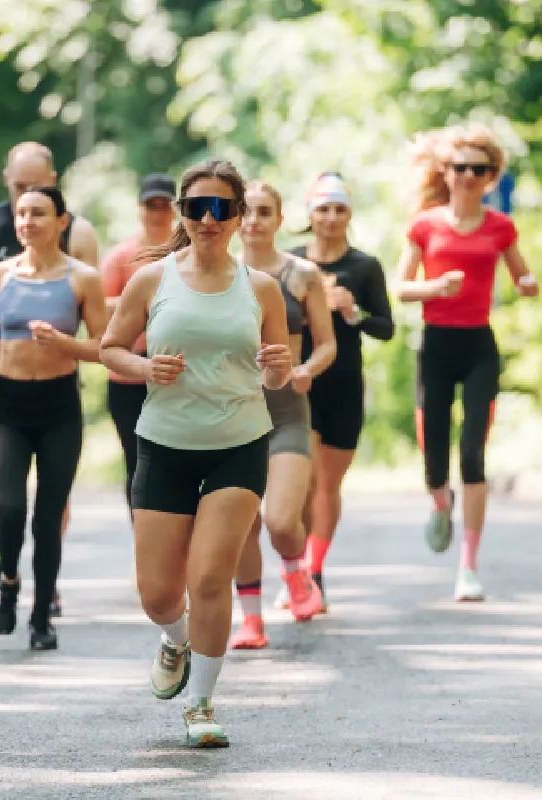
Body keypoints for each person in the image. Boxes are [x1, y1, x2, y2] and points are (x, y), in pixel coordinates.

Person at [101, 159, 295, 748]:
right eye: (196, 208)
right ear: (182, 215)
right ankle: (175, 638)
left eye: (221, 209)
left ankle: (202, 703)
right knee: (159, 593)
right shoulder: (152, 280)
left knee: (210, 576)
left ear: (239, 217)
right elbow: (110, 349)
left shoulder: (261, 287)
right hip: (163, 444)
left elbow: (278, 372)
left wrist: (281, 367)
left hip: (238, 444)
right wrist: (143, 365)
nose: (208, 219)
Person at [0, 142, 100, 613]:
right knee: (3, 499)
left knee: (50, 511)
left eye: (38, 201)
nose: (27, 215)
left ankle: (43, 599)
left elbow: (104, 337)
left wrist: (66, 344)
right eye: (19, 199)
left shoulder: (80, 248)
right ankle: (6, 567)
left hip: (58, 398)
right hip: (3, 394)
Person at [396, 123, 538, 602]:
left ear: (492, 176)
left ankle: (469, 566)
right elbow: (400, 287)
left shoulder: (500, 227)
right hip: (435, 347)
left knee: (473, 453)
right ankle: (440, 501)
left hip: (479, 346)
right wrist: (435, 288)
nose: (470, 175)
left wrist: (528, 284)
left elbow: (522, 273)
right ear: (447, 171)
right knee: (434, 457)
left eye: (480, 168)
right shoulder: (425, 224)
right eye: (461, 167)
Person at [275, 173, 394, 613]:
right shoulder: (288, 262)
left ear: (350, 214)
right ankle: (297, 573)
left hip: (342, 381)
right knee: (300, 483)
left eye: (339, 209)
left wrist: (352, 311)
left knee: (327, 484)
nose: (330, 217)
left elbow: (386, 328)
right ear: (309, 214)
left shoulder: (364, 267)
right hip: (298, 380)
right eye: (322, 209)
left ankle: (314, 568)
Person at [228, 180, 337, 650]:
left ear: (280, 219)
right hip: (232, 414)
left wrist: (307, 368)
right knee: (240, 526)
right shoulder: (217, 275)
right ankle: (250, 620)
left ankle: (297, 575)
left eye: (264, 212)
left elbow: (328, 341)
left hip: (288, 410)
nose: (253, 221)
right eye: (246, 212)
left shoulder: (302, 274)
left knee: (279, 520)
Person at [100, 173, 177, 512]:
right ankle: (143, 544)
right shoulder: (121, 257)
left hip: (177, 369)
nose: (157, 212)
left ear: (175, 210)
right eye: (151, 205)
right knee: (137, 459)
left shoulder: (187, 253)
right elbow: (99, 307)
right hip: (129, 373)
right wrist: (145, 300)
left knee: (174, 457)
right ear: (139, 209)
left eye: (164, 204)